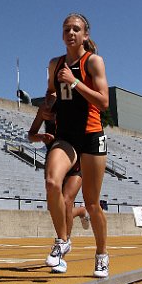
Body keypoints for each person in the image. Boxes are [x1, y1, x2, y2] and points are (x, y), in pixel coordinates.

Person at [42, 13, 109, 277]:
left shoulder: (93, 62)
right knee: (51, 182)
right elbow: (52, 93)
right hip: (66, 135)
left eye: (76, 29)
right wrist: (49, 105)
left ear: (85, 35)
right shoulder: (55, 64)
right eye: (66, 28)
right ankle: (62, 240)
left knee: (92, 203)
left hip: (91, 135)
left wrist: (75, 82)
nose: (70, 32)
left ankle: (102, 254)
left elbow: (103, 102)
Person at [28, 102, 90, 241]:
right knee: (55, 207)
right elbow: (31, 135)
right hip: (55, 161)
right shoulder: (46, 107)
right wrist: (41, 137)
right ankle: (80, 211)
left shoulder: (75, 102)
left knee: (67, 201)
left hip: (76, 159)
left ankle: (64, 242)